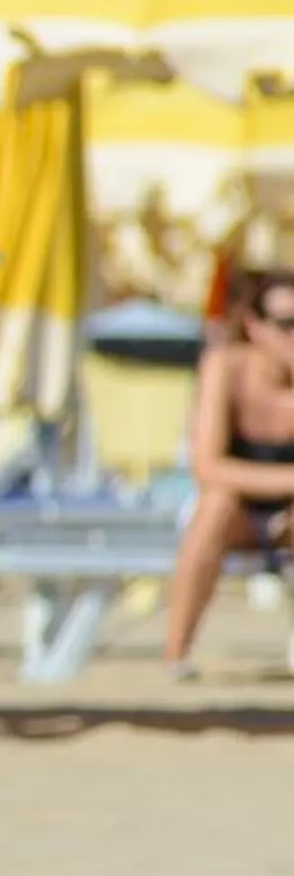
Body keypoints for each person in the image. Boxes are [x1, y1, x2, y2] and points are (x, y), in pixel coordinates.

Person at [165, 269, 294, 677]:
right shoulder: (226, 368)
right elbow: (207, 467)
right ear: (254, 325)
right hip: (234, 512)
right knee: (216, 506)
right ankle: (175, 653)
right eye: (287, 324)